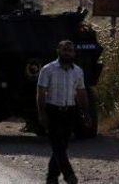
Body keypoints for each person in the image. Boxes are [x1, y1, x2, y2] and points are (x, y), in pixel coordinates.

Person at [37, 40, 90, 184]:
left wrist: (85, 113)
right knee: (57, 145)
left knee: (63, 145)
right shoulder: (48, 69)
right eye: (65, 50)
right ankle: (69, 175)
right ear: (58, 51)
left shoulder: (78, 71)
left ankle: (51, 178)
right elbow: (41, 92)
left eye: (70, 50)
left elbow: (81, 92)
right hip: (52, 111)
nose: (68, 52)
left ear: (74, 53)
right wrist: (42, 113)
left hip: (70, 111)